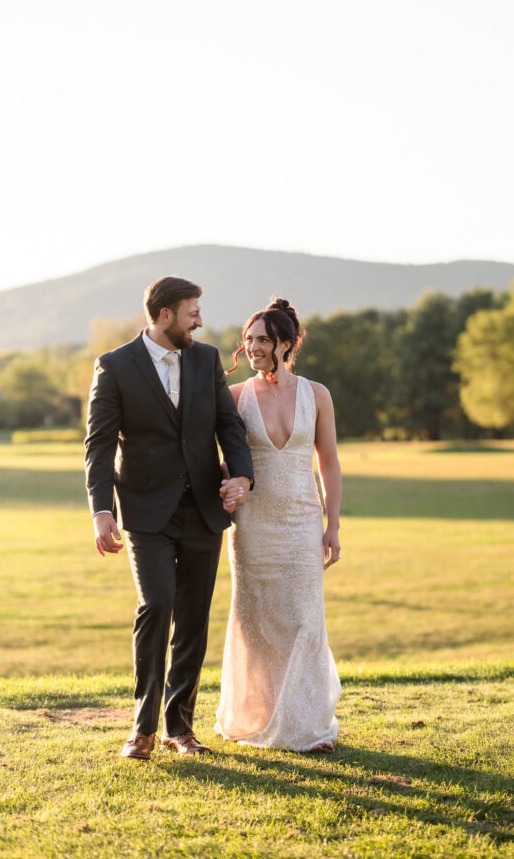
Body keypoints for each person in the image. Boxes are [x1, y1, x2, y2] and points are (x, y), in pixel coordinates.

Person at [84, 276, 254, 760]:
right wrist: (102, 511)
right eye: (191, 312)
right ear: (164, 316)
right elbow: (98, 446)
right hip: (145, 512)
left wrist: (242, 476)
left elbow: (228, 425)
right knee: (156, 605)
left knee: (194, 619)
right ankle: (141, 727)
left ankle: (179, 728)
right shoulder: (114, 366)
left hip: (204, 509)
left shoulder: (205, 359)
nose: (199, 320)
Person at [215, 298, 342, 752]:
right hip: (253, 525)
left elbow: (328, 462)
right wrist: (229, 483)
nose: (252, 348)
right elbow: (220, 458)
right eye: (248, 340)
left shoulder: (317, 394)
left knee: (305, 618)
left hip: (304, 520)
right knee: (258, 623)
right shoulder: (234, 397)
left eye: (263, 340)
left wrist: (333, 525)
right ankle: (260, 716)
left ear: (286, 344)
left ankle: (306, 725)